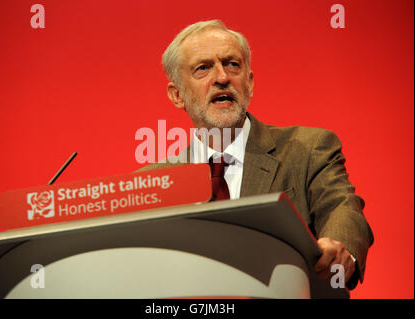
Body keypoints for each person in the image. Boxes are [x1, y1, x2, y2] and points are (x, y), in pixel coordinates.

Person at [138, 20, 374, 290]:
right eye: (203, 68)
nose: (222, 77)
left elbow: (342, 207)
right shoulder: (155, 182)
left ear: (249, 83)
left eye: (232, 64)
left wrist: (341, 248)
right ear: (177, 95)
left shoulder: (308, 149)